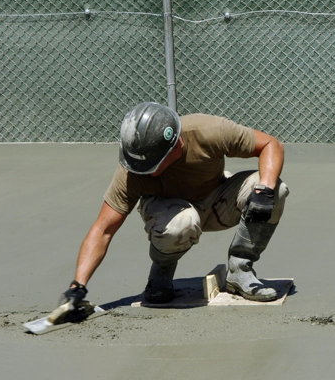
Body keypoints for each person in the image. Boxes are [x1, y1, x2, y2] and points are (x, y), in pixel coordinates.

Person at [58, 102, 289, 314]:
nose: (146, 170)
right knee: (182, 222)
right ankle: (162, 271)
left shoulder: (207, 131)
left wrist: (264, 190)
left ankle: (240, 270)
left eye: (153, 164)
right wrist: (78, 286)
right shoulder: (134, 169)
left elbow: (271, 144)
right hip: (170, 214)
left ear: (176, 144)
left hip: (218, 198)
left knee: (275, 190)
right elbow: (103, 229)